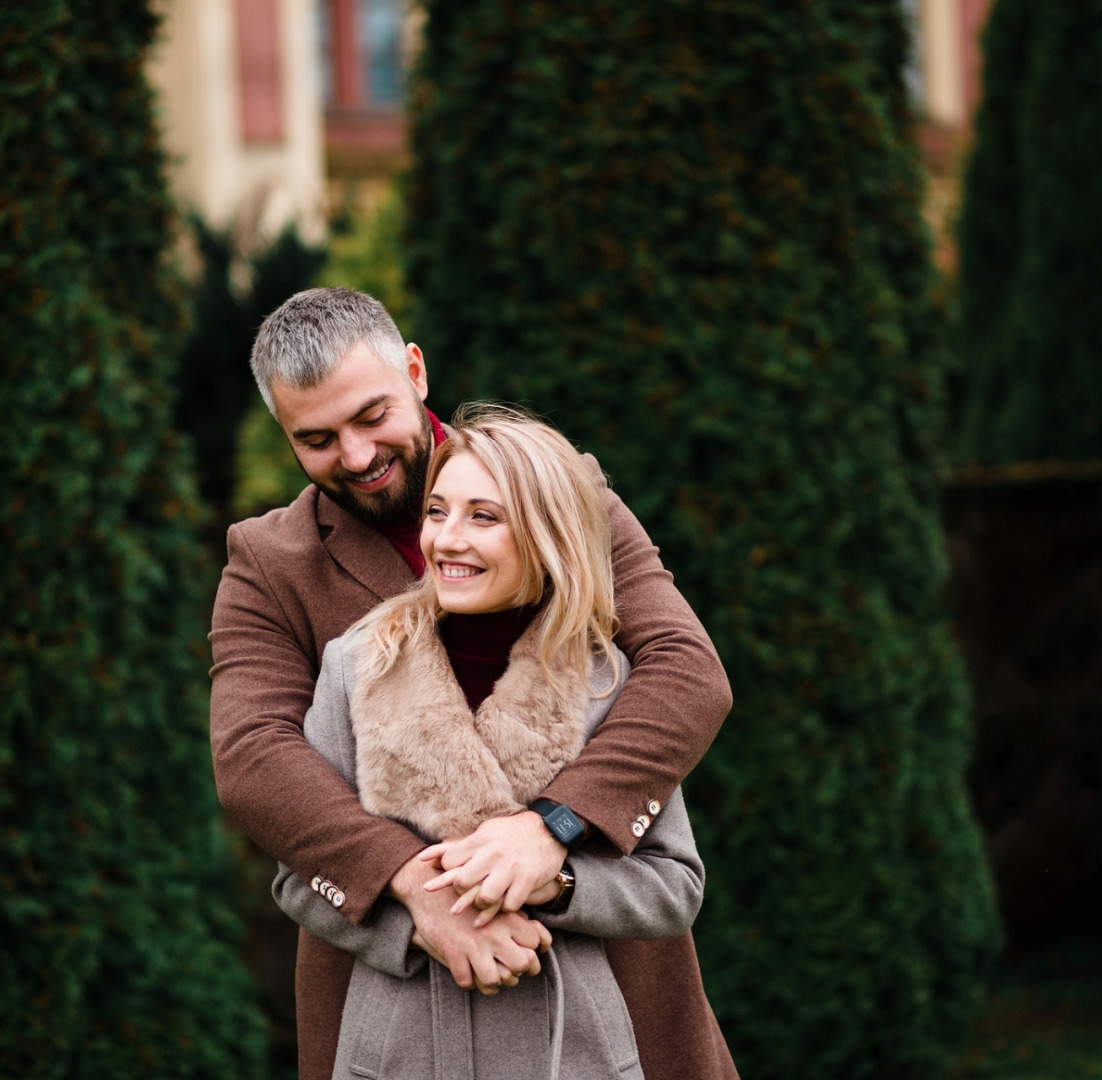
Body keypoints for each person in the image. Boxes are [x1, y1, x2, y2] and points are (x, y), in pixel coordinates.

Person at [209, 287, 738, 1078]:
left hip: (603, 997)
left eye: (368, 417)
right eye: (315, 438)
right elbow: (253, 757)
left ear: (414, 371)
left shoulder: (565, 492)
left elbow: (687, 671)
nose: (354, 456)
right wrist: (413, 890)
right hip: (393, 992)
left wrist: (551, 829)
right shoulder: (268, 560)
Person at [274, 406, 710, 1080]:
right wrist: (418, 923)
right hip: (398, 1055)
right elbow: (300, 878)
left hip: (573, 1054)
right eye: (438, 512)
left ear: (545, 535)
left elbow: (672, 888)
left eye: (483, 517)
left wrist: (558, 885)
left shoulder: (607, 681)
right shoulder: (357, 665)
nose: (446, 539)